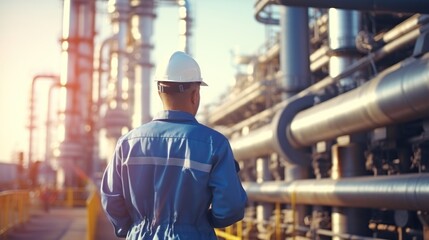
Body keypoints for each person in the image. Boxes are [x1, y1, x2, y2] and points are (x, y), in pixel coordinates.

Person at [100, 51, 247, 239]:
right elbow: (230, 207)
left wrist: (134, 228)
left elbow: (111, 199)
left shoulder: (127, 144)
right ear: (195, 94)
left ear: (159, 92)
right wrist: (200, 224)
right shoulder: (214, 144)